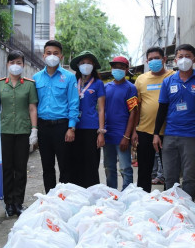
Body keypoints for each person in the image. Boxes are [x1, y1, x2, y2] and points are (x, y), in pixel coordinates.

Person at [153, 44, 195, 200]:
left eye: (187, 56)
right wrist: (156, 134)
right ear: (175, 60)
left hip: (192, 136)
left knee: (189, 176)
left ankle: (187, 211)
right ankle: (171, 209)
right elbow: (162, 109)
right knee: (170, 176)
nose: (184, 59)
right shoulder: (168, 82)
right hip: (170, 134)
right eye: (180, 56)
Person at [33, 40, 79, 193]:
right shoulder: (36, 77)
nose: (52, 56)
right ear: (43, 55)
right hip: (43, 127)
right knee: (47, 166)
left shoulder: (69, 77)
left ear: (61, 56)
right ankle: (50, 200)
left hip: (62, 127)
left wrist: (71, 127)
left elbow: (74, 103)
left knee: (65, 166)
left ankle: (64, 199)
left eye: (55, 53)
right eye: (49, 53)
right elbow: (32, 105)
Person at [0, 50, 38, 216]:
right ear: (7, 64)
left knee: (21, 169)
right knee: (7, 169)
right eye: (12, 62)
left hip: (23, 131)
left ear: (23, 65)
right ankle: (8, 203)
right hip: (5, 130)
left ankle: (18, 203)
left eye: (19, 63)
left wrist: (34, 130)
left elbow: (32, 108)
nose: (15, 66)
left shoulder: (29, 85)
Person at [131, 46, 174, 193]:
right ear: (146, 61)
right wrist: (134, 131)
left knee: (170, 170)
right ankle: (143, 200)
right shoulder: (141, 80)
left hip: (169, 131)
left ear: (164, 59)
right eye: (150, 59)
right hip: (144, 131)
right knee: (144, 169)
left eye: (157, 58)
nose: (154, 61)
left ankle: (169, 199)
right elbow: (136, 107)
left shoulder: (173, 76)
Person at [68, 50, 105, 188]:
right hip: (74, 127)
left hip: (91, 128)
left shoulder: (98, 84)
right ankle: (76, 193)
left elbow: (101, 109)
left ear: (94, 65)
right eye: (83, 63)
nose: (86, 65)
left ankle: (92, 194)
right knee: (75, 162)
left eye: (89, 63)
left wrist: (101, 132)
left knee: (91, 163)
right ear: (78, 65)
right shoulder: (72, 81)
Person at [103, 56, 138, 190]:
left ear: (126, 69)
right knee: (109, 167)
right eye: (114, 67)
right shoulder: (106, 87)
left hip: (123, 135)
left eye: (121, 67)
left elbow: (133, 112)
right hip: (108, 135)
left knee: (125, 168)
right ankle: (112, 194)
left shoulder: (131, 88)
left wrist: (127, 136)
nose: (117, 70)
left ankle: (127, 195)